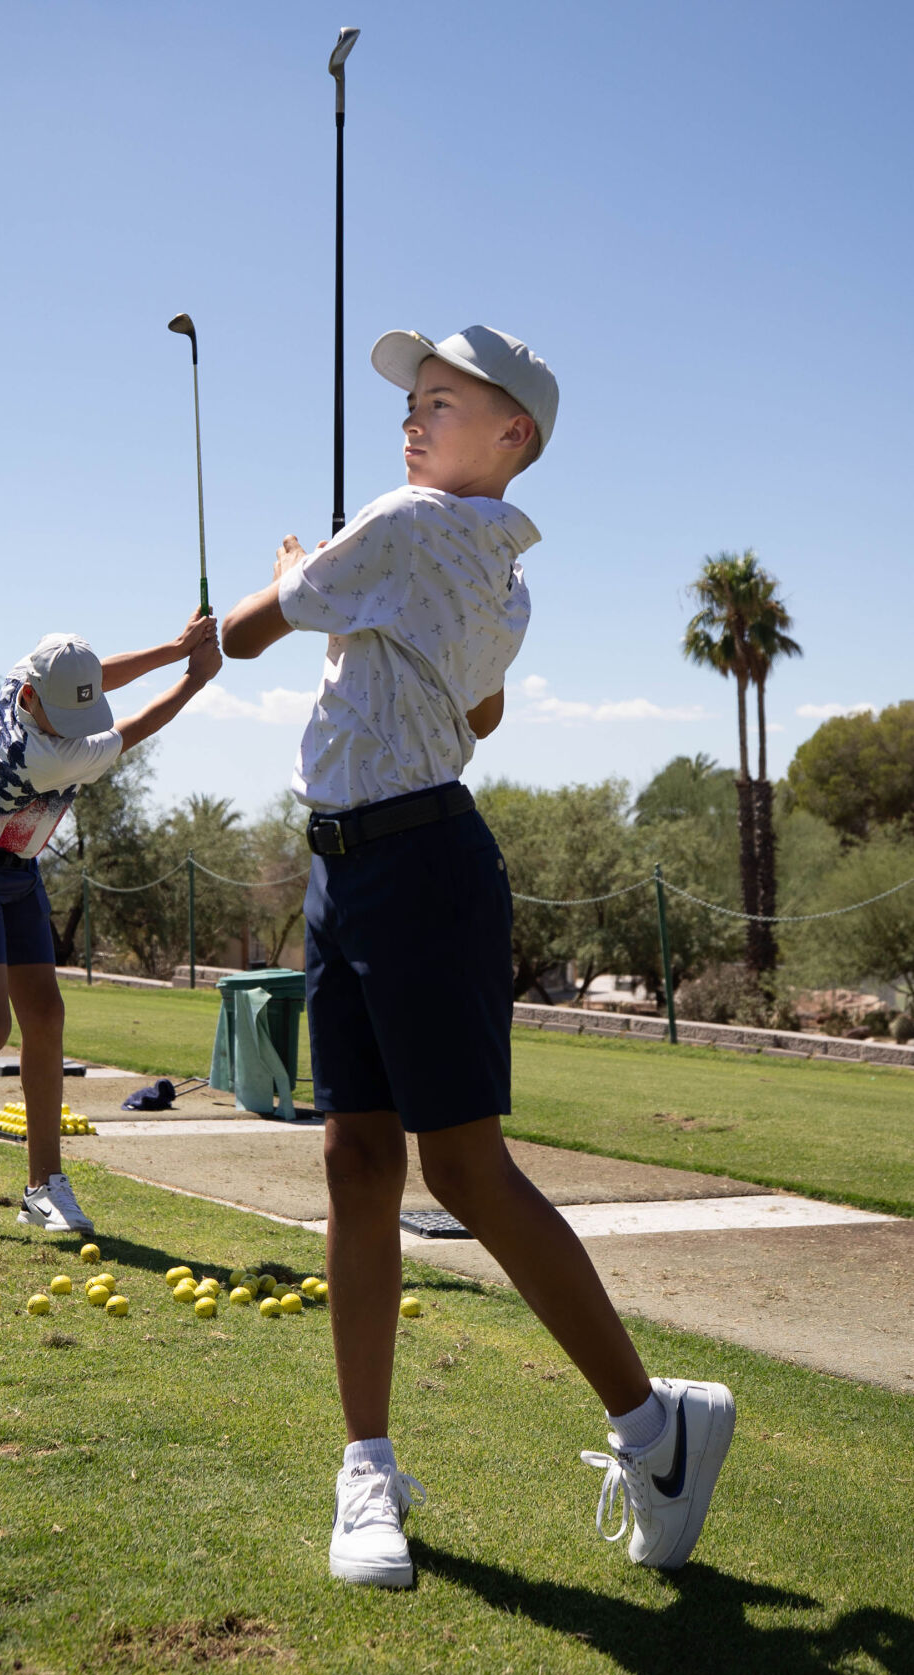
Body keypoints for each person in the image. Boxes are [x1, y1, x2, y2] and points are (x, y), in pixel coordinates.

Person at [221, 325, 734, 1587]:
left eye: (441, 401)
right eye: (411, 400)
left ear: (515, 435)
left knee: (458, 1168)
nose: (412, 416)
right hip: (352, 865)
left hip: (414, 868)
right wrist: (359, 608)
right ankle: (367, 1470)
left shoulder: (403, 524)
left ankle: (652, 1428)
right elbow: (484, 710)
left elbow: (238, 635)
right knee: (354, 1160)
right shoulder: (506, 578)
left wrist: (295, 571)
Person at [0, 614, 221, 1236]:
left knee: (47, 1016)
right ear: (31, 698)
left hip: (20, 871)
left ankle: (43, 1187)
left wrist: (174, 647)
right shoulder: (38, 755)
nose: (74, 723)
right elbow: (135, 727)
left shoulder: (21, 677)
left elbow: (94, 682)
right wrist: (194, 679)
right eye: (64, 713)